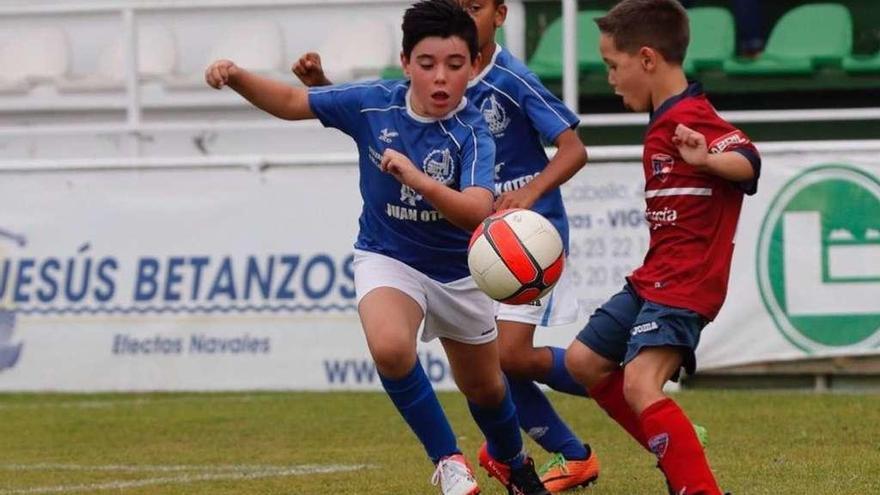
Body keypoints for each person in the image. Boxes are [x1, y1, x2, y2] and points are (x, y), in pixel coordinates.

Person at [205, 1, 549, 494]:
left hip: (458, 272)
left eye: (455, 66)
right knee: (389, 348)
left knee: (487, 389)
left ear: (473, 67)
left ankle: (514, 463)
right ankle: (449, 461)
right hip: (388, 256)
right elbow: (290, 103)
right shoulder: (373, 102)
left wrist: (417, 180)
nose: (440, 78)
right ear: (405, 61)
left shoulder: (473, 129)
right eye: (427, 64)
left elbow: (476, 210)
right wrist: (237, 76)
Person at [292, 1, 598, 492]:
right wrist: (325, 87)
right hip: (465, 244)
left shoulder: (506, 83)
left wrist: (528, 194)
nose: (465, 15)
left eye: (474, 7)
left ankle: (618, 400)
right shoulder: (426, 83)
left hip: (517, 239)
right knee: (497, 369)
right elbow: (371, 115)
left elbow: (573, 148)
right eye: (457, 6)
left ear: (498, 16)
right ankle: (529, 457)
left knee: (511, 360)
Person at [563, 1, 760, 494]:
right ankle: (670, 440)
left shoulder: (692, 116)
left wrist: (712, 160)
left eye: (613, 65)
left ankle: (695, 484)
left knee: (639, 383)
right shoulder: (663, 120)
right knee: (583, 362)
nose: (609, 78)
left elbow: (749, 161)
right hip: (655, 277)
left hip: (687, 282)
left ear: (647, 59)